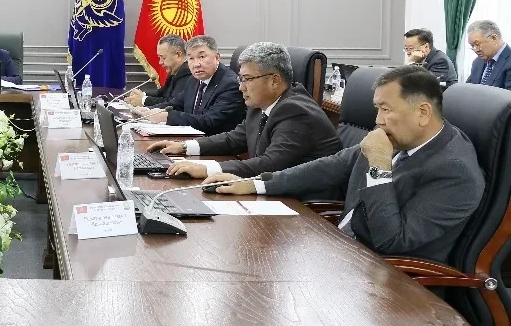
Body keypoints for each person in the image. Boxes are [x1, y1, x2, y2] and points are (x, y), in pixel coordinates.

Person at [205, 65, 484, 263]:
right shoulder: (401, 136)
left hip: (391, 286)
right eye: (377, 109)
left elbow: (391, 242)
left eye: (386, 110)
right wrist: (254, 184)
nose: (378, 121)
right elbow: (330, 166)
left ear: (423, 112)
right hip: (342, 251)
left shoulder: (454, 171)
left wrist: (379, 167)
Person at [149, 42, 342, 180]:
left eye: (247, 79)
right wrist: (184, 147)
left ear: (274, 81)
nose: (241, 87)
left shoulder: (296, 111)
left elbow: (269, 164)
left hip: (307, 208)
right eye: (241, 79)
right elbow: (234, 139)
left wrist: (206, 168)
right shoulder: (261, 104)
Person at [134, 35, 245, 136]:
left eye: (202, 57)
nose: (196, 64)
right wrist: (147, 111)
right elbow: (175, 104)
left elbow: (208, 121)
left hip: (217, 146)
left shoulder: (230, 84)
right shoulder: (194, 79)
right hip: (192, 140)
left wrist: (167, 116)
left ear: (217, 57)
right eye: (191, 58)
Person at [126, 34, 191, 108]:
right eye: (159, 57)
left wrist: (143, 100)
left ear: (178, 54)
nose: (160, 62)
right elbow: (162, 92)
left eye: (163, 58)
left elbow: (172, 102)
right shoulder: (175, 70)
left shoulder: (186, 72)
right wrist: (142, 94)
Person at [466, 20, 511, 90]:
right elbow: (467, 90)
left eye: (477, 44)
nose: (476, 50)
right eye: (472, 46)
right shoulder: (477, 62)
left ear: (494, 38)